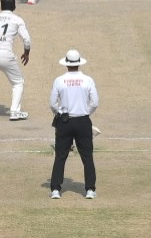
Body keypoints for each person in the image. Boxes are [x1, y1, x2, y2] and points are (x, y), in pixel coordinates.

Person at [49, 49, 99, 200]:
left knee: (60, 156)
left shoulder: (59, 80)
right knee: (87, 156)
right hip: (83, 120)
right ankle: (90, 189)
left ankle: (56, 190)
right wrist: (85, 113)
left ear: (66, 64)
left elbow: (52, 103)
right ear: (79, 63)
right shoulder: (88, 80)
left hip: (65, 121)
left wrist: (60, 112)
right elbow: (95, 102)